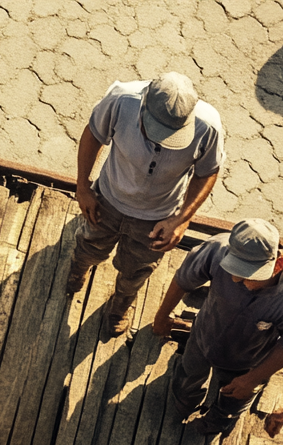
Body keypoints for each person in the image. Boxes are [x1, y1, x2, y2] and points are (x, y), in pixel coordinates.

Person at [66, 72, 226, 338]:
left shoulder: (208, 127)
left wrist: (181, 219)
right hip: (108, 199)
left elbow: (207, 172)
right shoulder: (120, 100)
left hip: (158, 218)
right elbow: (93, 135)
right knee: (89, 245)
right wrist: (83, 187)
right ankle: (78, 271)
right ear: (142, 105)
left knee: (136, 270)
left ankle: (120, 306)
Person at [152, 218, 283, 437]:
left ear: (277, 265)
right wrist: (161, 318)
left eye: (250, 276)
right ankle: (184, 401)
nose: (236, 279)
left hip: (247, 362)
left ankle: (217, 422)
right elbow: (184, 279)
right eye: (233, 269)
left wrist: (252, 378)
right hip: (202, 337)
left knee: (234, 400)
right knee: (188, 374)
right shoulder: (217, 248)